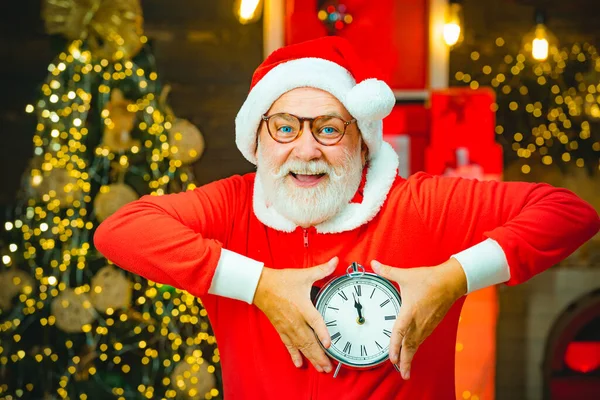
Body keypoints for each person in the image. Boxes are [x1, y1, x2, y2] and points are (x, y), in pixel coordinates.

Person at [93, 36, 600, 399]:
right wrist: (259, 286)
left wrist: (452, 279)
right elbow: (120, 231)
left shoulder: (418, 205)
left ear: (361, 139)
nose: (307, 149)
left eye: (330, 129)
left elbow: (568, 212)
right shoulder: (232, 206)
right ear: (258, 138)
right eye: (286, 127)